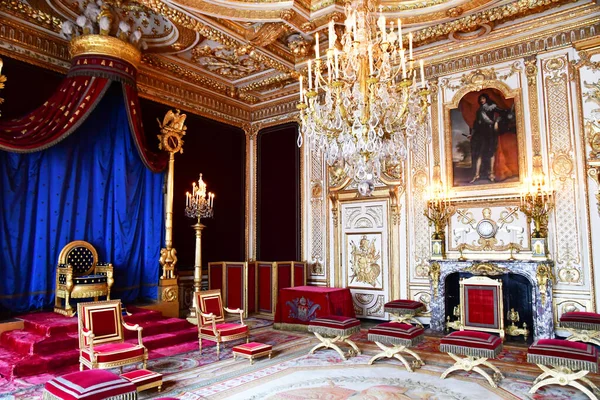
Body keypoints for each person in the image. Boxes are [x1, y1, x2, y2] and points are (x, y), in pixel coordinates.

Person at [469, 94, 507, 183]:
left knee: (491, 153)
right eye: (480, 99)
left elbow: (503, 113)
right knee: (479, 154)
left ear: (486, 99)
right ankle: (476, 175)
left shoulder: (492, 107)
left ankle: (491, 174)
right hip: (481, 133)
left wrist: (497, 122)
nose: (482, 100)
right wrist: (472, 134)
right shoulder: (479, 111)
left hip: (490, 132)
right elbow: (476, 124)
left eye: (483, 98)